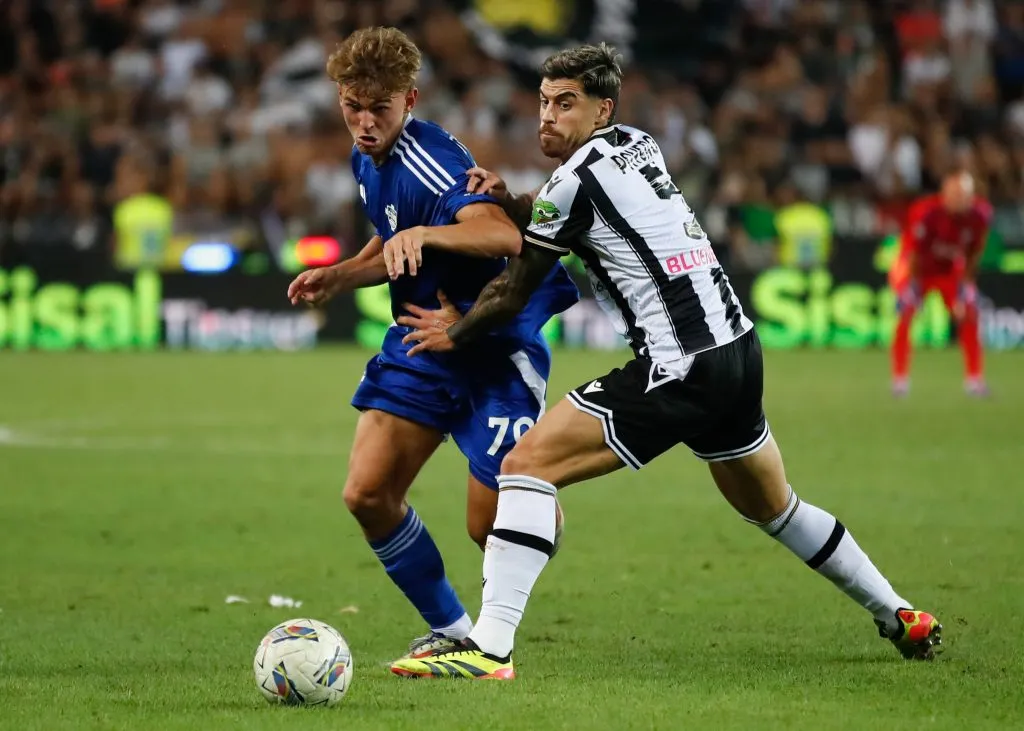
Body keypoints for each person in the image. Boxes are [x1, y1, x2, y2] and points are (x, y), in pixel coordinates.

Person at [390, 43, 942, 680]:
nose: (548, 117)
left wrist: (456, 333)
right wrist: (517, 201)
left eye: (566, 104)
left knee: (524, 467)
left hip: (678, 363)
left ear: (602, 109)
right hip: (737, 353)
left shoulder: (572, 182)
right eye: (543, 103)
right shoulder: (638, 145)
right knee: (775, 507)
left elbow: (515, 285)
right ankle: (898, 613)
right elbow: (569, 217)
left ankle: (488, 648)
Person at [286, 27, 578, 665]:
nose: (364, 123)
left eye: (379, 109)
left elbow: (501, 237)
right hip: (422, 335)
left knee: (489, 528)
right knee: (367, 494)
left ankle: (538, 511)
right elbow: (394, 243)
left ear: (409, 99)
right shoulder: (367, 158)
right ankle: (450, 628)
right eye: (352, 107)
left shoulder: (434, 159)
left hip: (493, 346)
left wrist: (430, 229)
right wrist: (342, 274)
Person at [889, 171, 992, 397]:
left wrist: (966, 282)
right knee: (905, 316)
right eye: (954, 194)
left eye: (963, 195)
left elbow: (975, 251)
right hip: (917, 269)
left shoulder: (980, 215)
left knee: (970, 315)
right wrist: (912, 287)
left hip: (950, 271)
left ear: (971, 196)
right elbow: (914, 252)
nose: (959, 200)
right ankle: (899, 380)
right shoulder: (925, 212)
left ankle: (974, 380)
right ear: (944, 194)